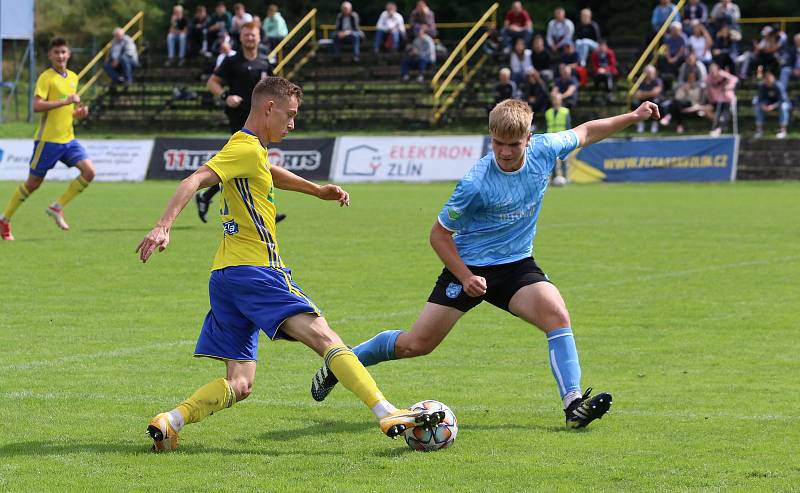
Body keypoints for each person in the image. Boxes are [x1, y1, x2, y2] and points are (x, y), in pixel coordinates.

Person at [309, 97, 663, 430]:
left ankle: (573, 405)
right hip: (469, 266)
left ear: (529, 137)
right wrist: (465, 277)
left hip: (516, 265)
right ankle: (342, 364)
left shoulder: (545, 149)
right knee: (416, 345)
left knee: (557, 316)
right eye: (498, 144)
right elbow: (438, 235)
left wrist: (633, 117)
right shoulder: (476, 183)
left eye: (514, 144)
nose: (505, 153)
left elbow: (586, 132)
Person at [137, 76, 444, 451]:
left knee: (240, 383)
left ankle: (171, 421)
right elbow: (194, 179)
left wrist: (316, 190)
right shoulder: (245, 148)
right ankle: (386, 412)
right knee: (326, 338)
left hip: (226, 277)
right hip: (257, 272)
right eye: (290, 115)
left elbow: (269, 173)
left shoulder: (250, 152)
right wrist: (162, 226)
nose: (293, 124)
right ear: (269, 108)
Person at [0, 38, 94, 241]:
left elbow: (68, 112)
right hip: (47, 141)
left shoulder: (73, 77)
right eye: (56, 52)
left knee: (89, 172)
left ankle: (57, 207)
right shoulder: (46, 78)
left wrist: (78, 113)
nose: (60, 56)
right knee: (33, 184)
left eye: (63, 52)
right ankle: (5, 219)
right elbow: (36, 106)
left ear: (68, 54)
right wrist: (65, 101)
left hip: (68, 139)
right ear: (50, 55)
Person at [199, 22, 285, 224]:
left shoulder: (264, 62)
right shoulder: (231, 61)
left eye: (253, 35)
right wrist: (225, 97)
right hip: (240, 117)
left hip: (262, 119)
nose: (250, 38)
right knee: (248, 161)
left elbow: (274, 87)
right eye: (246, 35)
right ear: (241, 37)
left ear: (258, 37)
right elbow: (212, 83)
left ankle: (205, 197)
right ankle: (265, 210)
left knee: (253, 162)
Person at [753, 70, 791, 139]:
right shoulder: (761, 85)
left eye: (769, 80)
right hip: (767, 103)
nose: (768, 82)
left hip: (779, 103)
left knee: (783, 107)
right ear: (764, 80)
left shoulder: (779, 85)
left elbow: (783, 99)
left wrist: (773, 106)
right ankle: (759, 131)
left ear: (773, 79)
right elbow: (759, 98)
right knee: (757, 107)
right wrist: (762, 105)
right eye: (766, 80)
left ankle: (783, 131)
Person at [705, 62, 738, 135]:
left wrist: (728, 87)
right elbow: (707, 88)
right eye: (711, 71)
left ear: (717, 70)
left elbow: (735, 79)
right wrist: (710, 98)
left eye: (714, 70)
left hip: (727, 98)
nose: (713, 73)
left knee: (724, 113)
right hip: (715, 100)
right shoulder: (708, 78)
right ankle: (719, 124)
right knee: (706, 110)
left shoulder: (723, 74)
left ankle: (719, 128)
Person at [545, 92, 571, 180]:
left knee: (564, 159)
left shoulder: (565, 111)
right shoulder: (548, 112)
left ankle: (565, 177)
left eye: (558, 100)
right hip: (551, 139)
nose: (556, 102)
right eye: (554, 100)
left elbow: (568, 126)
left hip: (563, 138)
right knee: (552, 160)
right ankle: (553, 178)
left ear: (561, 101)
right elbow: (546, 126)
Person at [632, 64, 664, 133]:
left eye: (650, 72)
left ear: (654, 72)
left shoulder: (657, 81)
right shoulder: (641, 82)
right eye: (647, 72)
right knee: (635, 103)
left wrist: (643, 94)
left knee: (656, 103)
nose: (648, 73)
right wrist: (650, 93)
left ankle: (655, 124)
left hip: (654, 101)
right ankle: (640, 123)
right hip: (643, 101)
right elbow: (637, 94)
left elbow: (656, 92)